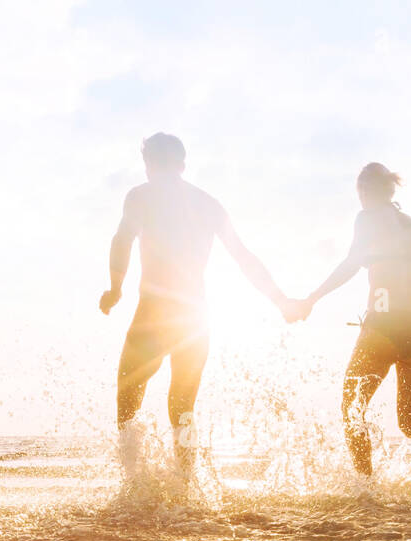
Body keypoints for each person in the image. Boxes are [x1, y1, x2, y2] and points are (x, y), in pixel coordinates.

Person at [100, 133, 293, 473]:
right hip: (196, 316)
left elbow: (122, 239)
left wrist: (115, 289)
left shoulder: (141, 196)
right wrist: (280, 300)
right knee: (183, 405)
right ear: (182, 164)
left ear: (148, 165)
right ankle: (185, 481)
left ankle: (132, 479)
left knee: (128, 392)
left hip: (154, 311)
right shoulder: (208, 202)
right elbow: (243, 257)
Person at [289, 163, 411, 483]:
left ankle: (367, 488)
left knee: (352, 410)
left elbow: (351, 264)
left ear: (365, 191)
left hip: (383, 328)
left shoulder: (366, 217)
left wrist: (312, 298)